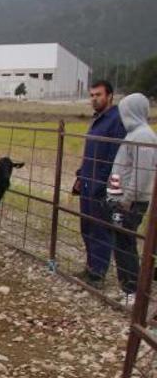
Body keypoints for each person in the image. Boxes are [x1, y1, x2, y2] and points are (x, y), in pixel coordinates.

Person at [73, 80, 127, 288]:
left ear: (110, 96)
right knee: (86, 226)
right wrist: (80, 176)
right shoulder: (98, 120)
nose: (94, 98)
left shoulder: (116, 121)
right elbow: (90, 154)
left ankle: (98, 274)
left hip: (101, 185)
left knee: (100, 229)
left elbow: (115, 156)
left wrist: (103, 182)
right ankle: (90, 266)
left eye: (98, 95)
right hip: (87, 182)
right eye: (92, 95)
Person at [106, 93, 156, 307]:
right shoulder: (136, 134)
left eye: (125, 111)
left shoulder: (142, 136)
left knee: (125, 244)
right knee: (121, 243)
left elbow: (142, 172)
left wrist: (127, 198)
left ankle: (132, 291)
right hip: (125, 199)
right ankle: (128, 288)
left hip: (131, 201)